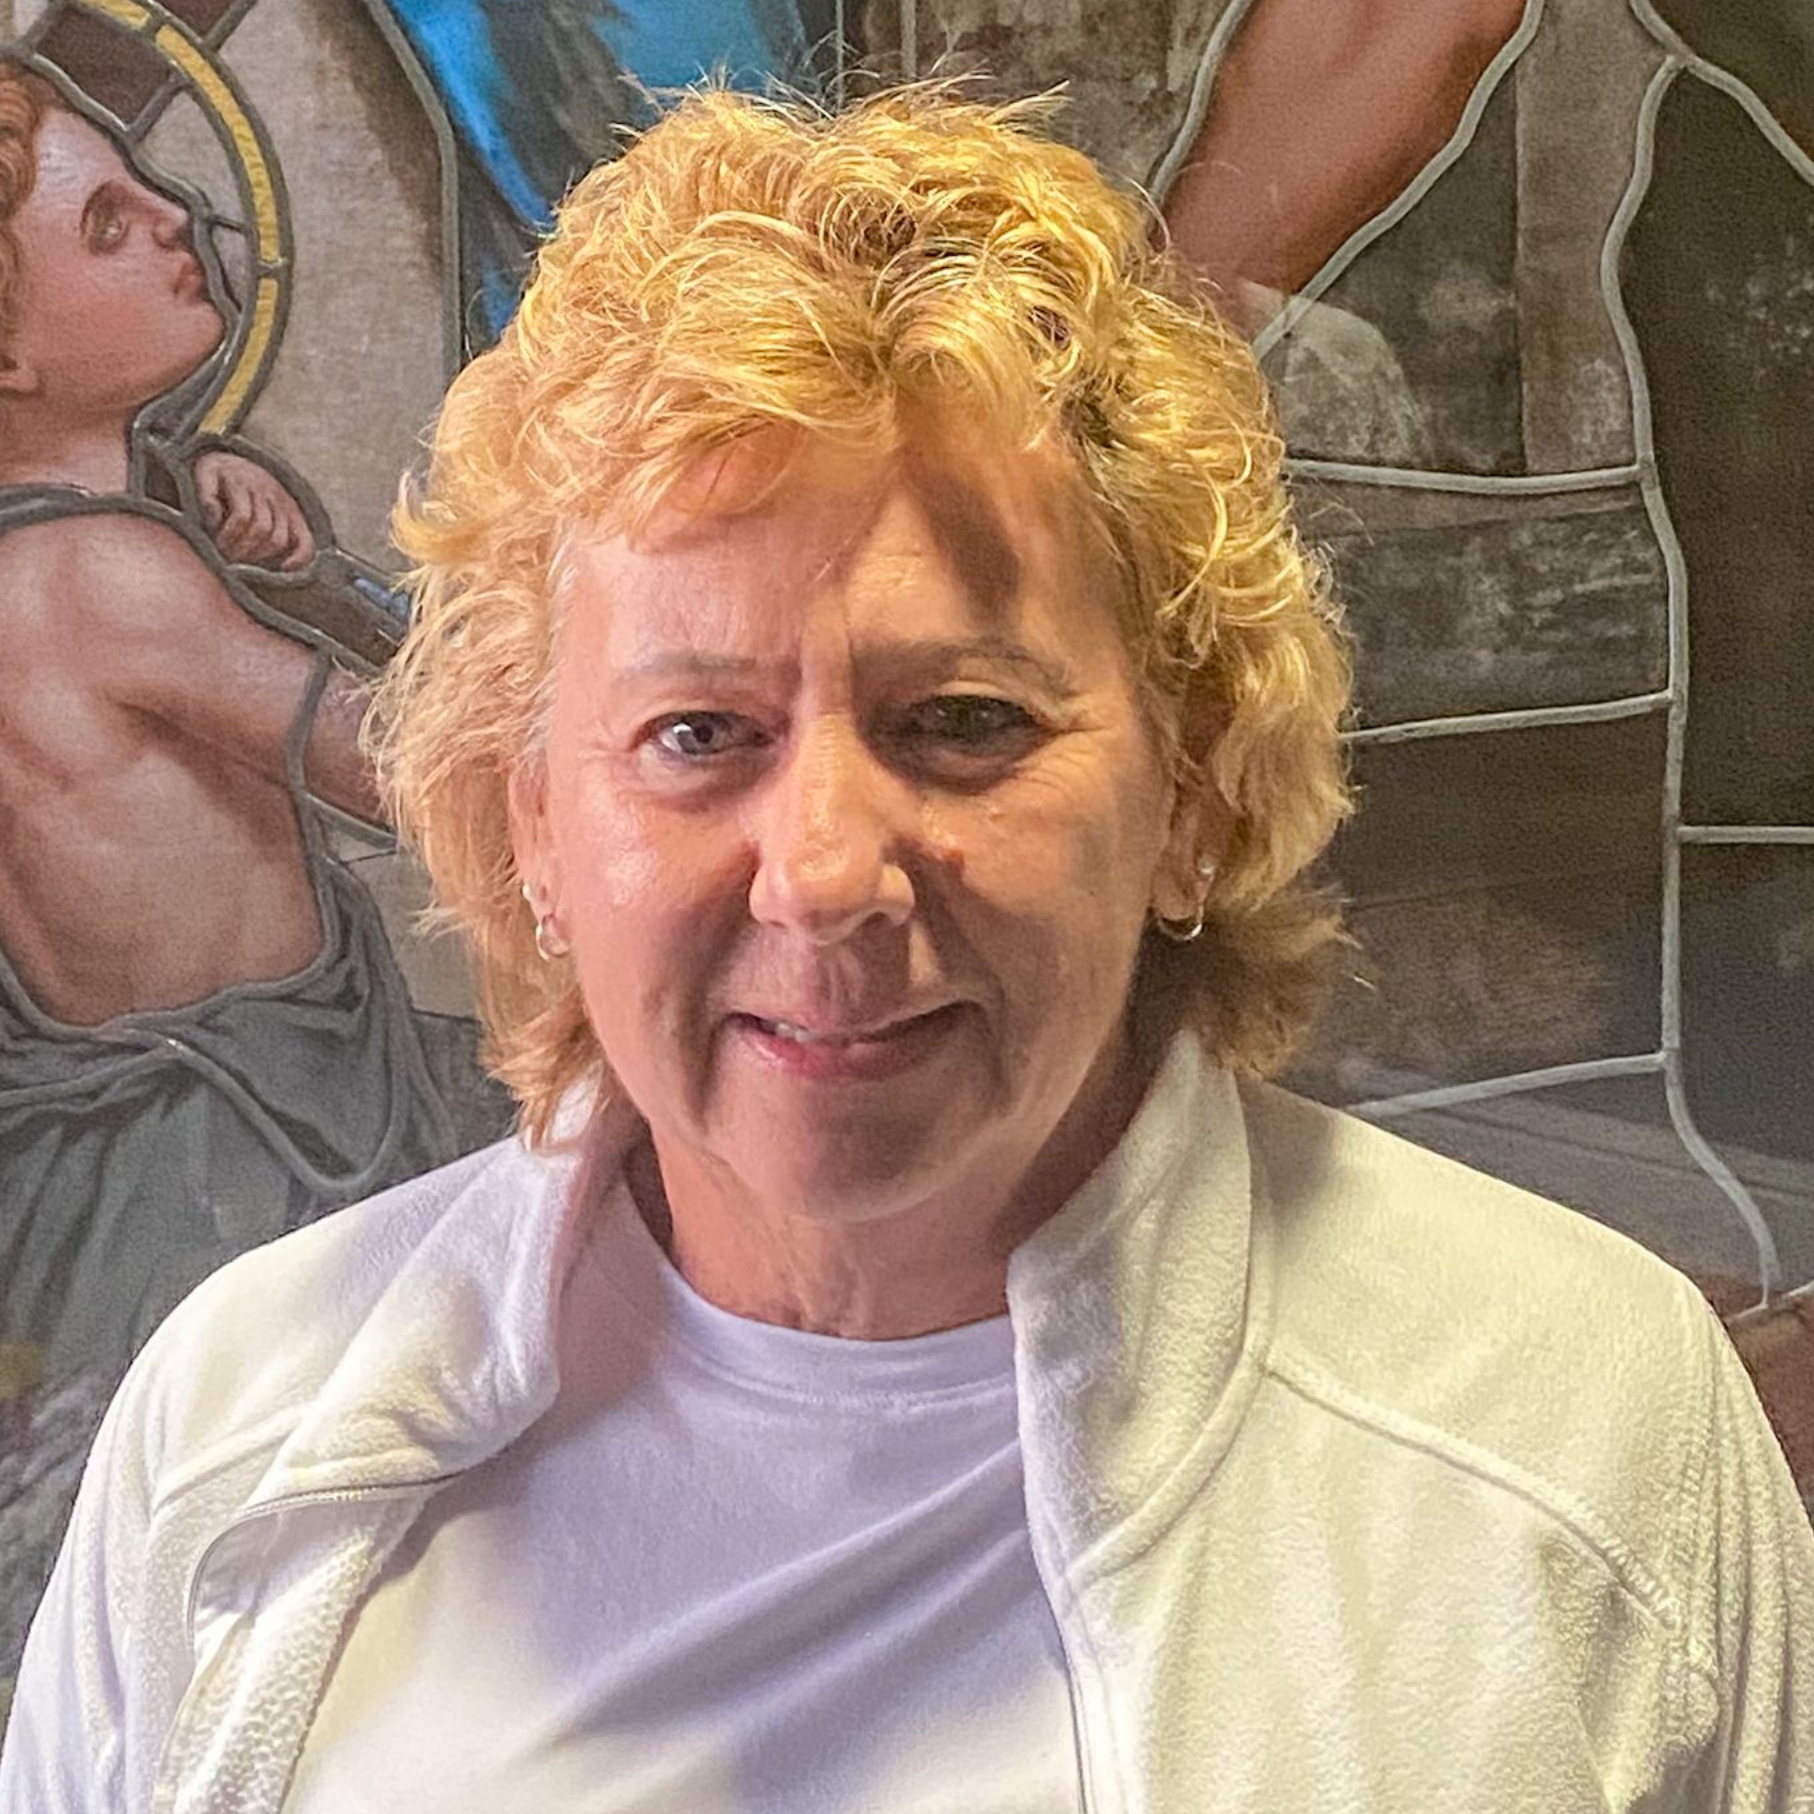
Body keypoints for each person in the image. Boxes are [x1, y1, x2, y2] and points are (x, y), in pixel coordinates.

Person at [6, 80, 1812, 1813]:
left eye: (961, 721)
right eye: (697, 732)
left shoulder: (1579, 1434)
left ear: (1190, 788)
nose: (820, 876)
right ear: (534, 822)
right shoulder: (238, 1435)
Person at [0, 59, 480, 1700]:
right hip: (245, 1160)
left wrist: (234, 534)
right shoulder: (111, 580)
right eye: (107, 225)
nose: (179, 218)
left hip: (131, 1145)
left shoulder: (79, 553)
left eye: (151, 187)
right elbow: (403, 769)